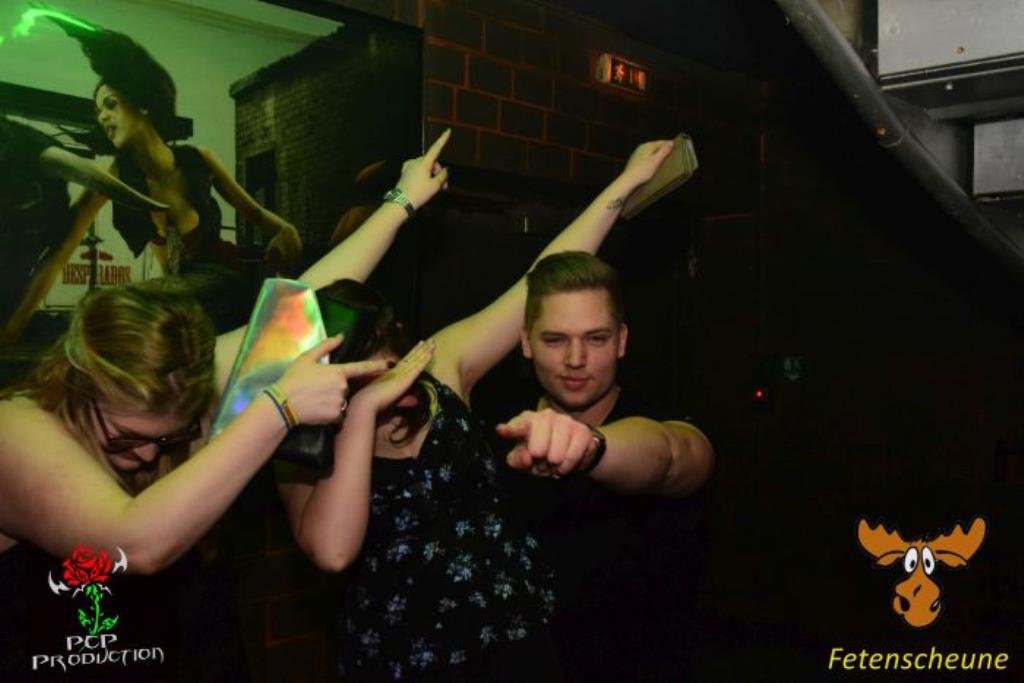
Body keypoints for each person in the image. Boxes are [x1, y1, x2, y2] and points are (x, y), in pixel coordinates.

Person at [0, 130, 453, 679]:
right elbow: (134, 545)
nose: (148, 456)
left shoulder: (180, 377)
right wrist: (278, 408)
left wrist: (402, 201)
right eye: (126, 437)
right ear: (83, 384)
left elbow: (300, 305)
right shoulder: (18, 428)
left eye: (169, 438)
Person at [276, 139, 677, 682]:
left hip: (515, 636)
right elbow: (332, 553)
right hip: (402, 659)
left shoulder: (438, 364)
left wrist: (622, 187)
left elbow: (538, 282)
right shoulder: (295, 434)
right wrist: (363, 414)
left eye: (385, 358)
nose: (379, 377)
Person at [7, 16, 304, 336]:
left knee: (127, 301)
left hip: (222, 282)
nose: (103, 117)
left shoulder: (198, 160)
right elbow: (61, 250)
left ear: (143, 105)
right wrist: (13, 326)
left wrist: (286, 230)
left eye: (110, 104)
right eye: (98, 111)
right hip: (179, 298)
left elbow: (254, 212)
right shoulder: (119, 175)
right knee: (102, 307)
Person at [498, 250, 715, 681]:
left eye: (596, 339)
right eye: (555, 340)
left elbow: (673, 457)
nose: (575, 359)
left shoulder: (664, 416)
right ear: (525, 341)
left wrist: (590, 448)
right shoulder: (502, 432)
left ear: (621, 341)